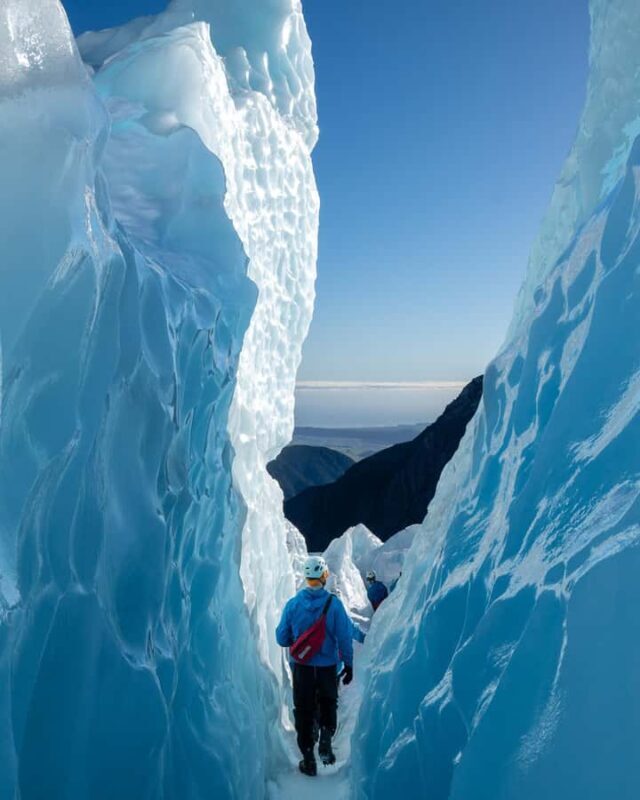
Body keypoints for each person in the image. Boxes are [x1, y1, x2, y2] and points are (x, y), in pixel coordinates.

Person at [276, 555, 357, 777]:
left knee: (303, 708)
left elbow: (281, 638)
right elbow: (344, 638)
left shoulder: (292, 605)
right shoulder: (335, 605)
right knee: (328, 702)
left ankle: (308, 758)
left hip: (301, 667)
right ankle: (326, 737)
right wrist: (348, 665)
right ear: (324, 577)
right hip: (327, 667)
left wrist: (298, 638)